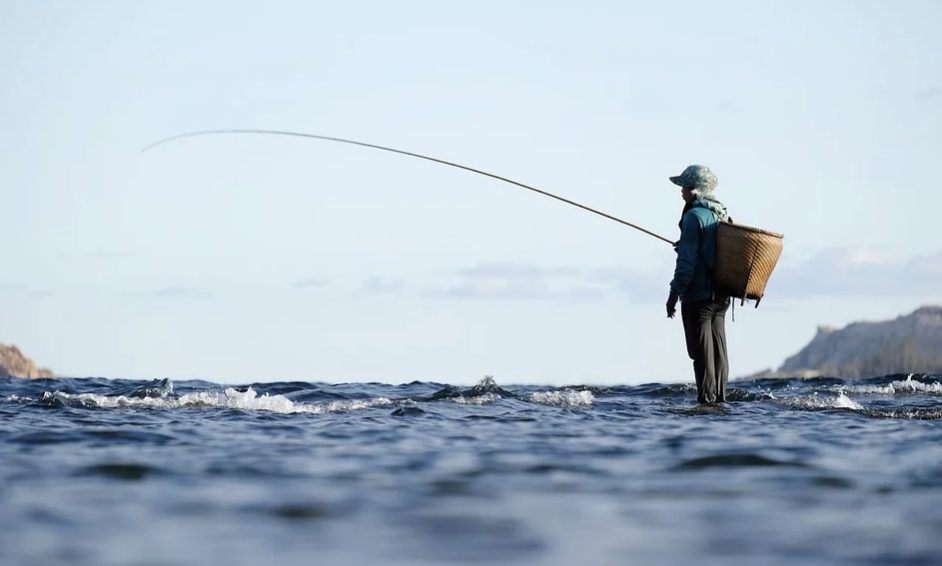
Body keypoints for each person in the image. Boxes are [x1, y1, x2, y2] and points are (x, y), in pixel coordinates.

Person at [665, 165, 732, 404]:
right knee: (718, 350)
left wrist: (674, 293)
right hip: (722, 294)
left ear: (694, 190)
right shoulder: (721, 214)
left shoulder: (693, 216)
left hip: (699, 295)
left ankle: (706, 403)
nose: (681, 191)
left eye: (684, 187)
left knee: (701, 353)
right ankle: (721, 401)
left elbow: (687, 262)